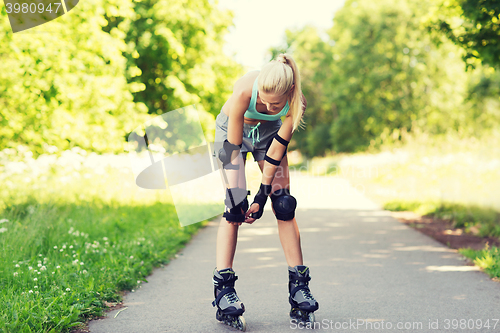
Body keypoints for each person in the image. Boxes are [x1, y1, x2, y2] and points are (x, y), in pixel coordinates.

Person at [212, 53, 319, 330]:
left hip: (270, 135)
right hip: (232, 133)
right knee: (233, 206)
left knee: (284, 205)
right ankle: (224, 289)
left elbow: (275, 152)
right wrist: (241, 196)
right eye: (263, 101)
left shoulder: (297, 105)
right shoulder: (245, 91)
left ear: (290, 93)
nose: (268, 107)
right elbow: (233, 148)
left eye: (276, 104)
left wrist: (262, 195)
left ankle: (299, 287)